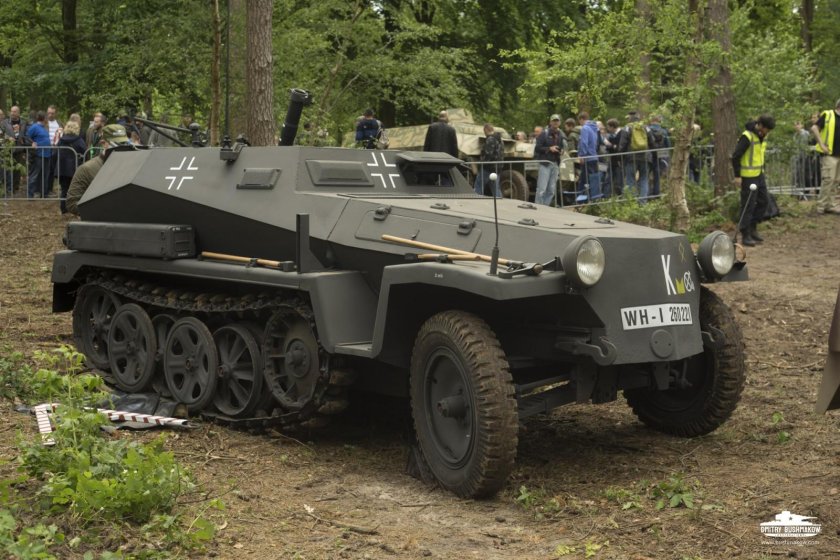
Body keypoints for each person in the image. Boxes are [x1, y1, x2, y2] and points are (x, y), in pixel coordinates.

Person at [66, 124, 131, 215]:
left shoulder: (130, 165)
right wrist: (102, 209)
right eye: (116, 144)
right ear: (103, 143)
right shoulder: (86, 169)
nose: (122, 147)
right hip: (100, 220)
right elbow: (72, 203)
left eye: (124, 143)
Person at [731, 114, 775, 246]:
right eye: (767, 129)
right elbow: (736, 156)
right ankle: (745, 234)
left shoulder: (762, 136)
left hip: (759, 175)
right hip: (748, 176)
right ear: (760, 125)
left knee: (764, 201)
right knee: (748, 205)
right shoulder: (747, 136)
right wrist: (737, 176)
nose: (768, 132)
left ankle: (753, 228)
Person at [810, 98, 840, 214]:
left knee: (836, 181)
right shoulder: (828, 115)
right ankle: (821, 206)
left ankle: (830, 205)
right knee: (828, 179)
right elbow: (814, 128)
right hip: (829, 153)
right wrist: (821, 144)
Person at [56, 120, 87, 215]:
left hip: (62, 169)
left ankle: (63, 209)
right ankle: (73, 209)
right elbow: (85, 152)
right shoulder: (79, 140)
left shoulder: (61, 140)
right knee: (75, 190)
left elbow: (56, 151)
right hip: (74, 168)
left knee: (64, 189)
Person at [618, 112, 651, 201]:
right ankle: (643, 202)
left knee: (630, 180)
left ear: (630, 118)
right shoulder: (645, 127)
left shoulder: (627, 128)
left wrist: (620, 157)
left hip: (631, 158)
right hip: (645, 157)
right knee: (644, 179)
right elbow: (652, 141)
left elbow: (622, 145)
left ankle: (631, 202)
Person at [534, 114, 564, 206]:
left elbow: (561, 146)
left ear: (559, 122)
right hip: (545, 163)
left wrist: (561, 150)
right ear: (550, 122)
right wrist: (549, 148)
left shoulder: (560, 134)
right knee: (542, 188)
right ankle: (539, 206)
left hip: (555, 163)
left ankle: (545, 207)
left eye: (557, 121)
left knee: (551, 190)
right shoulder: (544, 133)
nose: (555, 123)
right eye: (554, 121)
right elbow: (537, 148)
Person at [576, 111, 602, 202]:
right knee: (593, 180)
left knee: (583, 181)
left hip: (587, 157)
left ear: (581, 119)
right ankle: (594, 199)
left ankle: (581, 201)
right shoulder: (595, 128)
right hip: (594, 157)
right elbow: (598, 142)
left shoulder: (585, 128)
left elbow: (584, 142)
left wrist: (582, 155)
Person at [26, 111, 52, 198]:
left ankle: (44, 194)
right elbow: (26, 137)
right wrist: (32, 143)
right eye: (46, 117)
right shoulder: (34, 127)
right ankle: (30, 194)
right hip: (38, 154)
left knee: (45, 175)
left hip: (47, 154)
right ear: (44, 118)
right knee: (35, 175)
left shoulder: (44, 127)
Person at [473, 123, 502, 197]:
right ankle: (499, 201)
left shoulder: (490, 139)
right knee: (495, 188)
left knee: (479, 185)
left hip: (488, 167)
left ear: (486, 130)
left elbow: (488, 154)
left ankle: (476, 199)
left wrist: (482, 162)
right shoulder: (500, 140)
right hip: (497, 167)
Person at [647, 115, 671, 198]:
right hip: (660, 154)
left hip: (649, 154)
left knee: (646, 175)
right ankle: (657, 193)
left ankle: (647, 194)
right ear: (659, 121)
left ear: (651, 120)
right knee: (657, 174)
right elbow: (668, 144)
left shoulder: (647, 129)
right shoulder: (663, 131)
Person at [605, 118, 624, 196]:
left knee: (618, 180)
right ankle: (607, 195)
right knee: (609, 179)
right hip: (613, 160)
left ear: (612, 127)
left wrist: (611, 145)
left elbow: (618, 147)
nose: (608, 129)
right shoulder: (614, 135)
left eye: (608, 127)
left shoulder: (620, 134)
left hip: (618, 160)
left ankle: (620, 196)